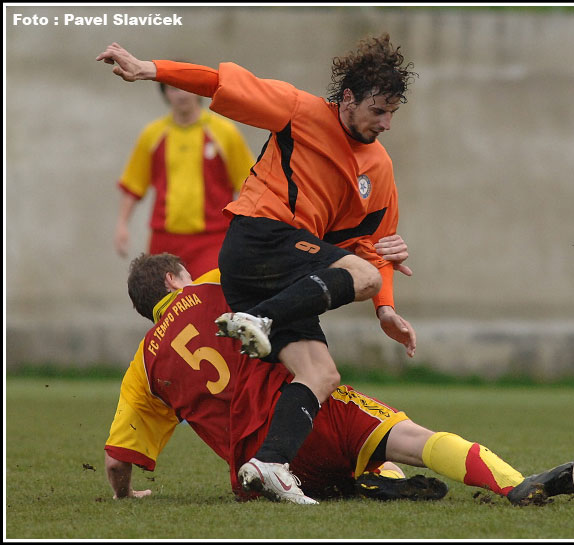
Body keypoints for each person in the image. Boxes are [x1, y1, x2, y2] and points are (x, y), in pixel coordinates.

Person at [97, 34, 419, 503]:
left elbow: (375, 249)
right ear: (348, 98)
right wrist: (149, 68)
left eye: (392, 112)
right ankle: (259, 319)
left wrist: (386, 309)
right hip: (258, 240)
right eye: (378, 110)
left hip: (288, 262)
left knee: (321, 373)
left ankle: (270, 463)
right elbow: (219, 82)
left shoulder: (380, 168)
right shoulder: (298, 110)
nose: (386, 123)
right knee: (361, 279)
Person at [104, 253, 574, 506]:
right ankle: (515, 484)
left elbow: (116, 460)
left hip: (254, 473)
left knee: (358, 465)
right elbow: (293, 267)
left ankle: (373, 480)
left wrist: (126, 494)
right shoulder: (218, 283)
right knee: (415, 439)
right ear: (174, 280)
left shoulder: (143, 366)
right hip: (302, 415)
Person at [114, 76, 255, 278]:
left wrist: (253, 228)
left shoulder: (225, 132)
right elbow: (133, 184)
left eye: (187, 87)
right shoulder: (152, 134)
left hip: (213, 239)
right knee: (161, 296)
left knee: (208, 295)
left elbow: (247, 183)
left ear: (199, 92)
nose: (182, 95)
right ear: (165, 94)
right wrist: (122, 224)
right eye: (173, 89)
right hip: (164, 241)